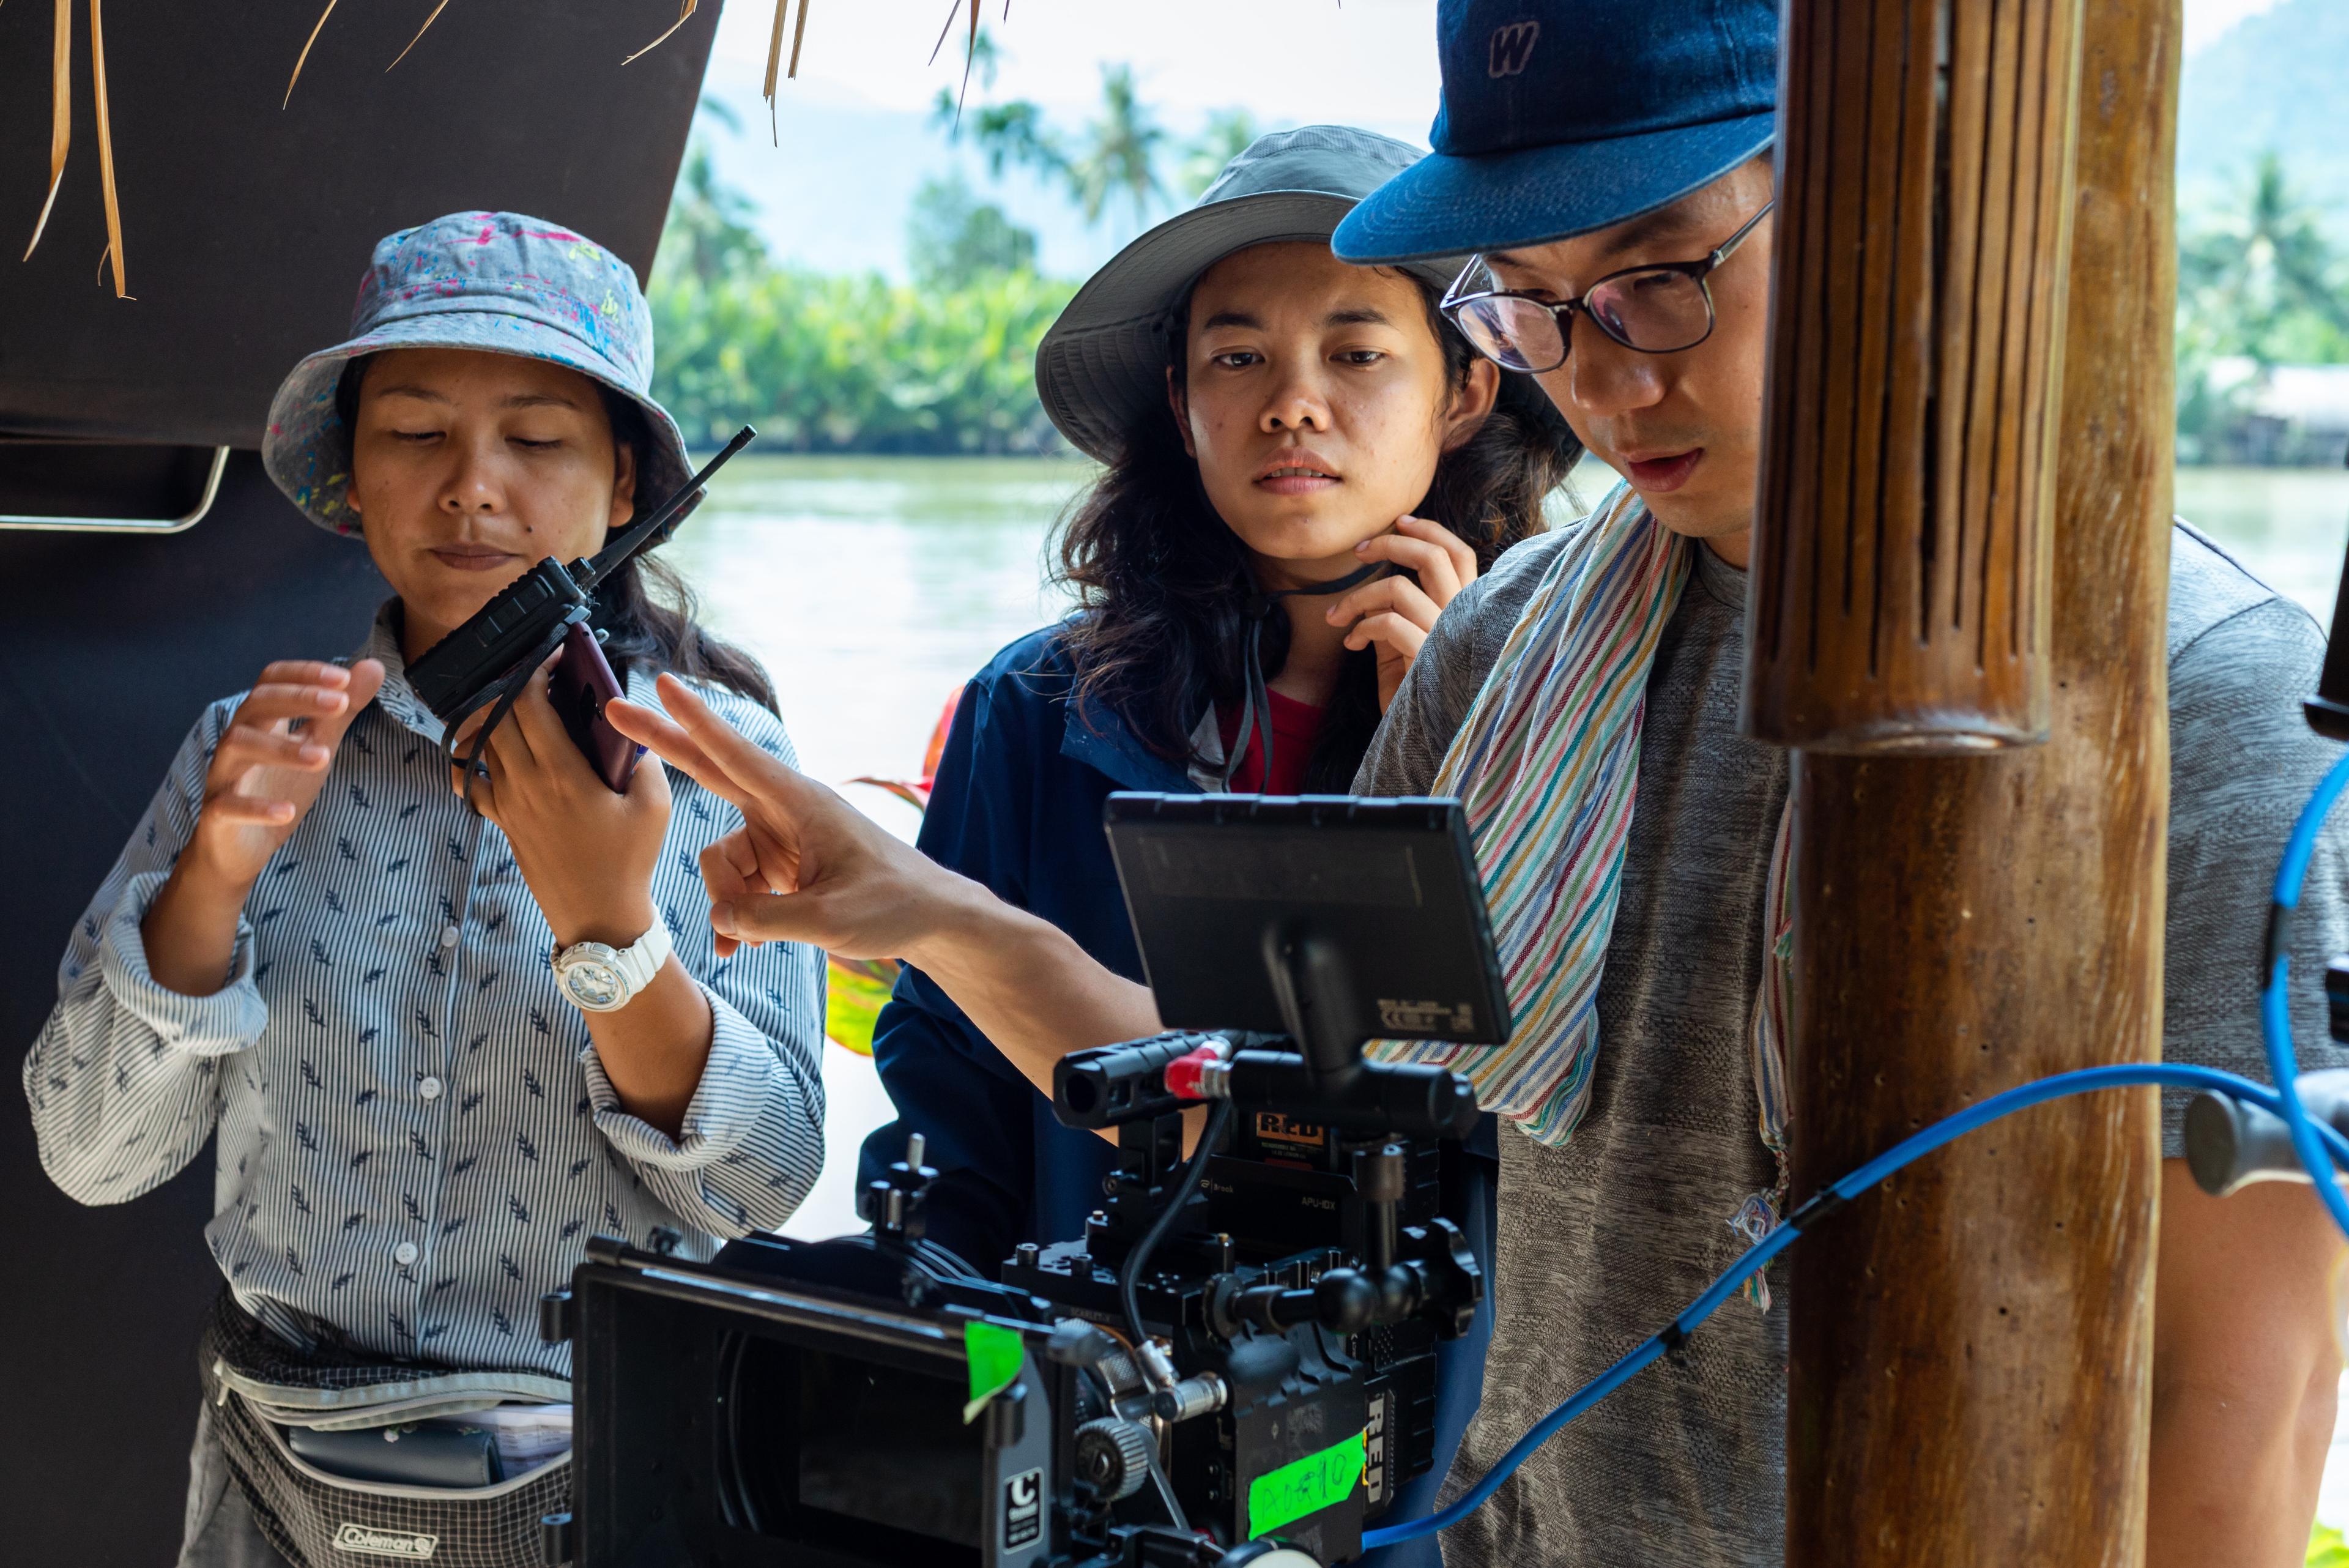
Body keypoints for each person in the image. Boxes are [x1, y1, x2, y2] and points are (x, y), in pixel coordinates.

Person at [607, 7, 2348, 1566]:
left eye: (1664, 271)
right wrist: (922, 906)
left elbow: (2239, 1405)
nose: (1608, 371)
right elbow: (1278, 1116)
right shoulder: (1520, 646)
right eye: (1538, 297)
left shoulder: (2201, 697)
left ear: (1863, 204)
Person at [22, 212, 826, 1567]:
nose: (472, 487)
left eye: (537, 437)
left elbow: (762, 1180)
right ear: (349, 475)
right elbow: (93, 1157)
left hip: (608, 1480)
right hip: (274, 1484)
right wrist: (211, 880)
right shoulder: (249, 754)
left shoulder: (717, 773)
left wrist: (610, 928)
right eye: (413, 434)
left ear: (624, 484)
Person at [858, 123, 1576, 1285]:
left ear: (1464, 392)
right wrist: (965, 1376)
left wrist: (1447, 743)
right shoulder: (1038, 710)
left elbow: (1533, 1120)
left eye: (1357, 355)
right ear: (1182, 405)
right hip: (1095, 1392)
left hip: (1445, 1416)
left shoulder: (1567, 697)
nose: (1293, 406)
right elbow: (950, 1097)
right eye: (1238, 360)